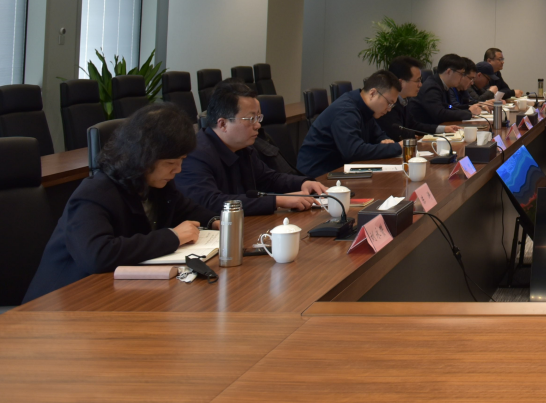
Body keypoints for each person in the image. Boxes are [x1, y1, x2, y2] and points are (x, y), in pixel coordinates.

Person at [23, 103, 218, 303]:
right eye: (170, 163)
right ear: (144, 157)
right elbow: (97, 255)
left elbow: (184, 208)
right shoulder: (94, 193)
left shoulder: (156, 184)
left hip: (115, 293)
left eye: (182, 160)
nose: (178, 170)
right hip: (62, 302)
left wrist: (215, 221)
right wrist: (172, 237)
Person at [179, 80, 327, 215]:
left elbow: (270, 179)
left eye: (258, 118)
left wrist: (303, 183)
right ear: (223, 124)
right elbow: (212, 202)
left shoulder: (243, 148)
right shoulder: (195, 154)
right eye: (251, 119)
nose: (258, 125)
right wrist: (278, 201)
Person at [296, 70, 404, 179]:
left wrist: (385, 141)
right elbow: (354, 151)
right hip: (316, 176)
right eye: (389, 103)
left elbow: (378, 135)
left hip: (339, 171)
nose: (389, 109)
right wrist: (397, 147)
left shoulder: (366, 109)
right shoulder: (346, 111)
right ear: (372, 93)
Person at [383, 57, 464, 138]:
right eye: (417, 80)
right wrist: (412, 135)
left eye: (420, 80)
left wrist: (444, 129)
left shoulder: (404, 100)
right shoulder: (387, 104)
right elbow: (397, 134)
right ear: (401, 82)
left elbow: (414, 125)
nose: (420, 85)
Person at [409, 53, 485, 130]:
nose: (462, 77)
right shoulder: (432, 87)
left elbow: (449, 106)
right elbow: (440, 114)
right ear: (449, 72)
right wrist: (469, 112)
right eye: (461, 74)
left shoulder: (443, 85)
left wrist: (468, 108)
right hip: (424, 131)